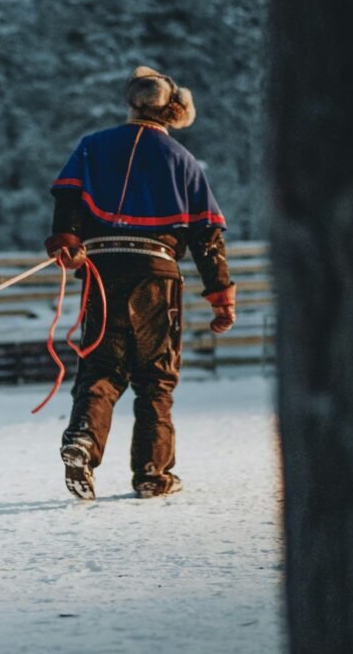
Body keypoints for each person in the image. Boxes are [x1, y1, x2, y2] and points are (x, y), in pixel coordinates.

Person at [46, 66, 235, 500]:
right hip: (157, 275)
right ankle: (153, 474)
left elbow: (68, 196)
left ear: (130, 104)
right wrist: (220, 297)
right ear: (170, 109)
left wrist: (69, 241)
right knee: (155, 379)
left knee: (101, 368)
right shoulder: (183, 161)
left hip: (102, 271)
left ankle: (82, 441)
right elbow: (207, 234)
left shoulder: (92, 146)